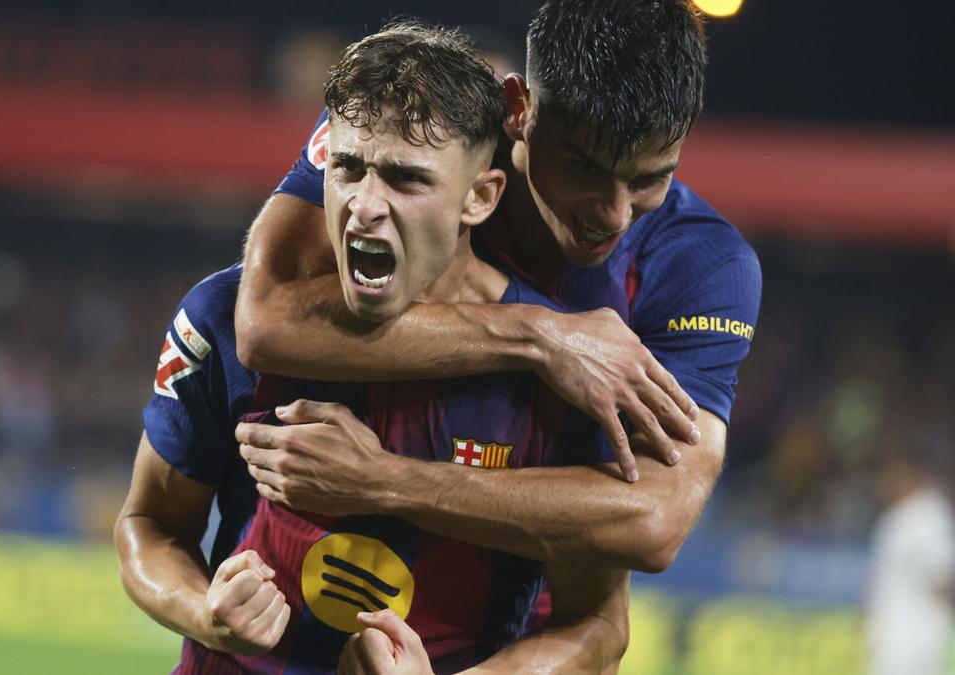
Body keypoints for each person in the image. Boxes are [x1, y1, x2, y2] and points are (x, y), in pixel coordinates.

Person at [117, 23, 627, 674]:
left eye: (405, 179)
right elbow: (150, 524)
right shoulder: (222, 317)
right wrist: (204, 611)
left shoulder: (564, 367)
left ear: (480, 196)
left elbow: (600, 623)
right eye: (348, 169)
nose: (364, 205)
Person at [235, 0, 761, 583]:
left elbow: (655, 520)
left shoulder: (705, 266)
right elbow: (267, 320)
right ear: (520, 109)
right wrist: (539, 336)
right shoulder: (418, 127)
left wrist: (380, 481)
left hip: (516, 623)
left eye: (649, 179)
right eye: (584, 167)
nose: (614, 214)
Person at [865, 445, 954, 675]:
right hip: (890, 635)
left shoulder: (930, 515)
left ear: (907, 475)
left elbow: (944, 578)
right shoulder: (892, 519)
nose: (884, 483)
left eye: (889, 475)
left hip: (918, 640)